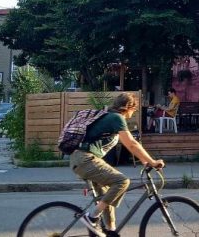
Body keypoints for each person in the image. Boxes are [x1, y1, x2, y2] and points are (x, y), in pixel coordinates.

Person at [70, 92, 164, 237]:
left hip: (84, 160)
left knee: (107, 196)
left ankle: (110, 231)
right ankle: (92, 218)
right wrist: (152, 161)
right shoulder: (116, 118)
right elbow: (132, 144)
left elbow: (130, 145)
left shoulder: (111, 117)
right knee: (122, 181)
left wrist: (145, 162)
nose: (134, 112)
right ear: (127, 107)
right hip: (85, 159)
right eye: (134, 109)